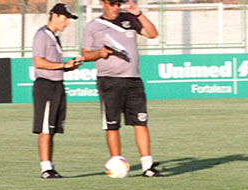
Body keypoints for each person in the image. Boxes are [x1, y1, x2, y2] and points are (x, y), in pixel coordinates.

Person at [81, 0, 162, 177]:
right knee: (112, 125)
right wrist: (99, 53)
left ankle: (147, 166)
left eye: (118, 3)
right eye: (112, 3)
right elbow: (85, 54)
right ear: (102, 3)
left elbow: (152, 34)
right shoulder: (93, 26)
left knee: (140, 122)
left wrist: (138, 13)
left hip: (133, 80)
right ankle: (116, 163)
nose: (116, 7)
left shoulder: (129, 19)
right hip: (109, 81)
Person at [32, 3, 84, 179]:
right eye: (65, 18)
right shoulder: (42, 35)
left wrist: (69, 66)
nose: (67, 22)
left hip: (57, 85)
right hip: (45, 86)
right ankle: (45, 169)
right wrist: (63, 65)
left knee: (52, 129)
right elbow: (38, 62)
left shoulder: (55, 36)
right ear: (54, 15)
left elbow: (54, 64)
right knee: (45, 129)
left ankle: (50, 166)